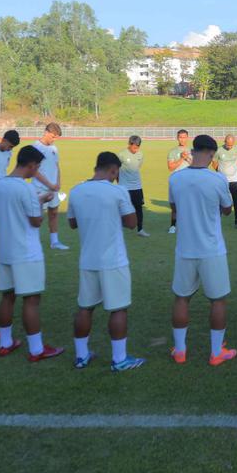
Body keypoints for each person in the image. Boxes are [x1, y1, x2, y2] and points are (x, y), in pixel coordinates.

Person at [67, 152, 146, 372]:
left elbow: (72, 223)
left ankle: (81, 356)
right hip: (113, 260)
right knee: (118, 309)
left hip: (87, 260)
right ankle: (119, 359)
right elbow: (132, 223)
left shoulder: (76, 190)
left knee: (85, 308)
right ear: (113, 170)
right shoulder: (117, 191)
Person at [168, 134, 237, 367]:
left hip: (185, 248)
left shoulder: (176, 179)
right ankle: (216, 352)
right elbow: (227, 209)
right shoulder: (217, 179)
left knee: (181, 298)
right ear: (210, 153)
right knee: (217, 301)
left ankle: (180, 350)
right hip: (211, 249)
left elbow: (174, 208)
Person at [0, 145, 65, 362]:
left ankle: (5, 343)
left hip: (5, 250)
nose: (38, 171)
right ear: (31, 165)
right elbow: (35, 221)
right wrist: (40, 201)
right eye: (38, 167)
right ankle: (36, 349)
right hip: (26, 252)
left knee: (7, 296)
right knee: (31, 300)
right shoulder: (26, 189)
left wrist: (37, 200)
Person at [31, 122, 68, 250]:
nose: (54, 139)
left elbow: (56, 166)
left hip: (53, 188)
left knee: (54, 214)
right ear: (46, 132)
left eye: (56, 137)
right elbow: (33, 171)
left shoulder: (54, 149)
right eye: (53, 136)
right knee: (37, 217)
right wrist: (49, 184)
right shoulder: (35, 148)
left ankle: (55, 242)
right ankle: (32, 242)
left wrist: (58, 183)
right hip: (40, 188)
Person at [117, 135, 149, 237]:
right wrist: (119, 183)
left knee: (139, 208)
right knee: (122, 208)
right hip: (124, 187)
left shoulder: (141, 154)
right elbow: (116, 170)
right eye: (134, 147)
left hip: (137, 187)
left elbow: (137, 168)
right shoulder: (121, 155)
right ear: (129, 144)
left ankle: (140, 229)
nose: (136, 149)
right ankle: (118, 229)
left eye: (138, 147)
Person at [214, 134, 237, 229]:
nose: (229, 147)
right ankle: (216, 221)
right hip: (222, 181)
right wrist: (220, 173)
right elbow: (214, 162)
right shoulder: (218, 150)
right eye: (228, 145)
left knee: (236, 201)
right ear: (224, 142)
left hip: (234, 180)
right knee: (219, 200)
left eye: (231, 145)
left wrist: (232, 171)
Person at [166, 129, 192, 234]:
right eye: (180, 137)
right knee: (174, 206)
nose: (182, 139)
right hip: (176, 182)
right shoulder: (173, 152)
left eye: (184, 137)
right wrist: (181, 158)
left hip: (189, 183)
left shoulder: (193, 151)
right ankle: (173, 226)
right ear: (177, 138)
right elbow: (170, 167)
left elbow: (197, 166)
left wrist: (188, 159)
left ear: (187, 138)